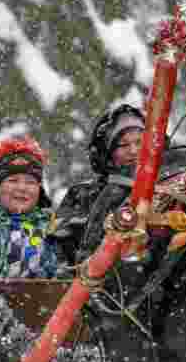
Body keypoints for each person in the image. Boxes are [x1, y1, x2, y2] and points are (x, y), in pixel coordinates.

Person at [51, 104, 145, 266]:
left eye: (140, 142)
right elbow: (59, 253)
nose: (134, 150)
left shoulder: (172, 190)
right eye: (123, 145)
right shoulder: (82, 194)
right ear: (106, 153)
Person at [0, 135, 60, 279]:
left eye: (30, 182)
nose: (22, 188)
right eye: (13, 181)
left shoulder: (54, 230)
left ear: (40, 190)